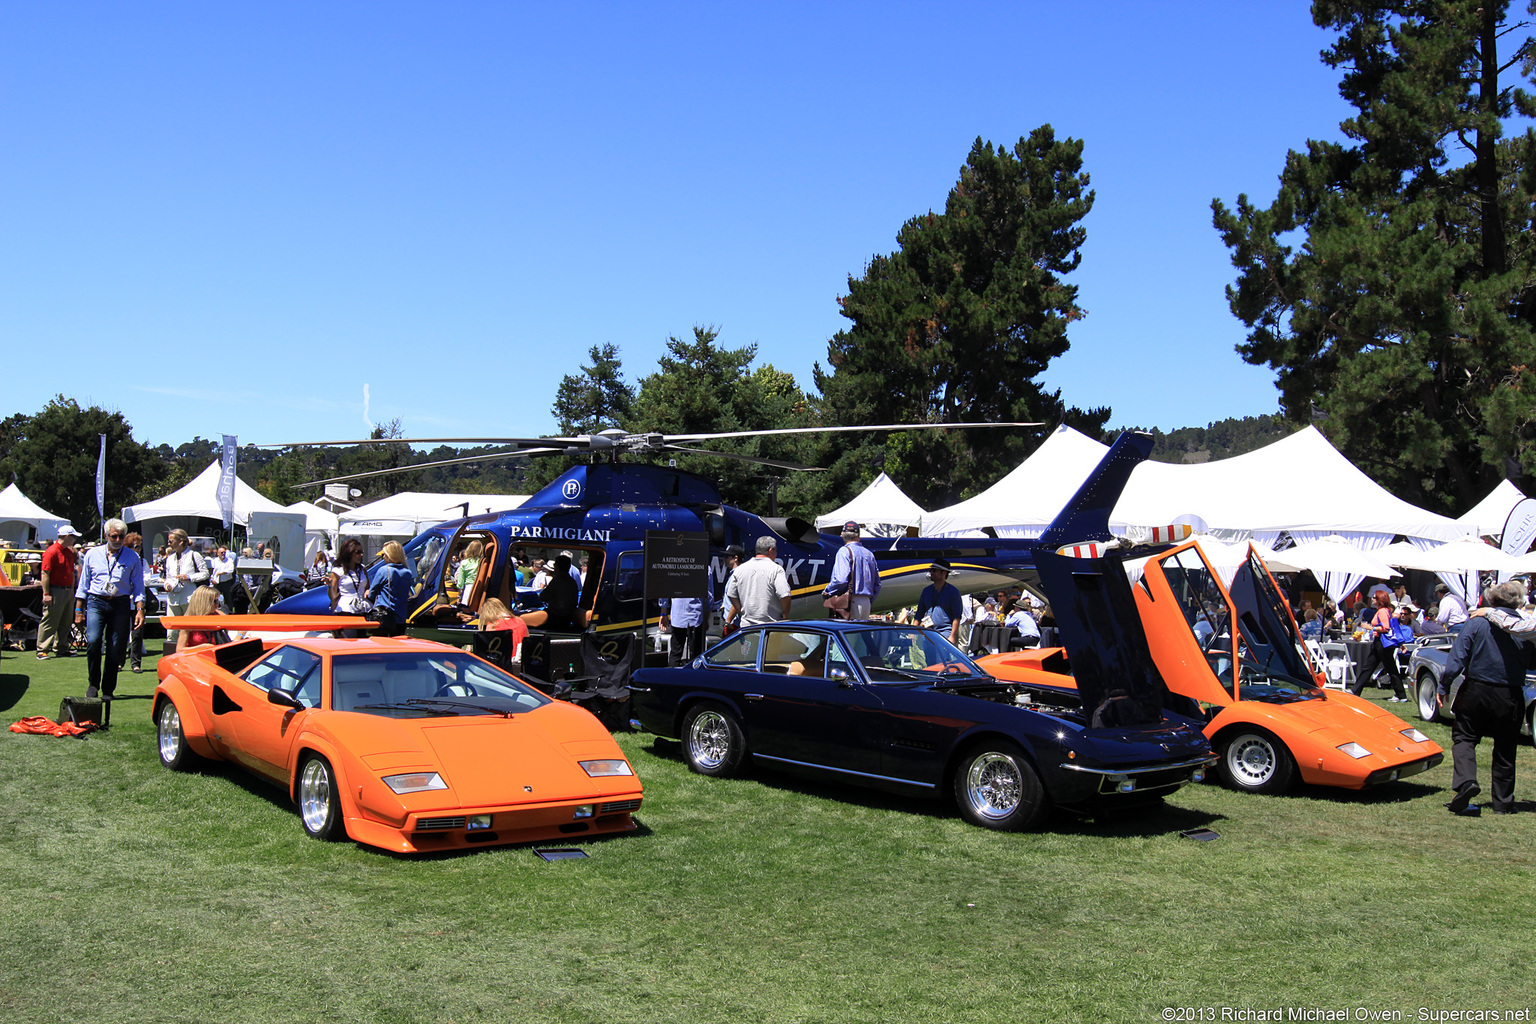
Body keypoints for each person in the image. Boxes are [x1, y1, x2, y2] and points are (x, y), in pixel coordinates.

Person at [1436, 580, 1533, 816]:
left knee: (1464, 737)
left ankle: (1467, 782)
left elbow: (1457, 657)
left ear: (1491, 599)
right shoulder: (1526, 628)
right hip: (1509, 693)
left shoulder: (1477, 623)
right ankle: (1502, 803)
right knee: (1506, 747)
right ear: (1519, 602)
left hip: (1476, 689)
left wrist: (1444, 685)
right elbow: (1531, 662)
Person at [74, 519, 146, 699]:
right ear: (106, 536)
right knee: (93, 640)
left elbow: (138, 585)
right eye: (114, 536)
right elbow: (84, 583)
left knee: (116, 647)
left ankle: (108, 689)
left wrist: (140, 609)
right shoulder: (92, 554)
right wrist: (78, 610)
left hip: (120, 602)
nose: (118, 539)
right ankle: (93, 684)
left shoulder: (132, 556)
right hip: (96, 601)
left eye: (121, 536)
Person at [1348, 590, 1408, 700]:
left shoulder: (1382, 612)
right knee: (1369, 666)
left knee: (1390, 668)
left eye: (1375, 598)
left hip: (1382, 642)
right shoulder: (1383, 611)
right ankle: (1355, 690)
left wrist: (1371, 628)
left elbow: (1386, 628)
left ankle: (1401, 695)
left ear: (1380, 600)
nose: (1372, 599)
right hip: (1379, 642)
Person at [723, 536, 792, 629]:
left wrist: (741, 611)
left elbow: (731, 594)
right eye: (776, 551)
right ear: (771, 550)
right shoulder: (776, 569)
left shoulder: (741, 569)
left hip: (747, 627)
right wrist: (785, 616)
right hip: (770, 627)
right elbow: (785, 595)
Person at [37, 526, 80, 660]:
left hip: (67, 590)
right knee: (50, 620)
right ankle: (42, 649)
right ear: (67, 536)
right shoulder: (52, 552)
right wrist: (46, 593)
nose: (74, 540)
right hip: (55, 590)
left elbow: (73, 570)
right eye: (73, 537)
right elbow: (45, 573)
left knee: (66, 621)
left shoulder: (69, 552)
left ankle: (62, 647)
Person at [161, 528, 210, 646]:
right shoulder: (170, 558)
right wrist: (167, 584)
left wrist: (189, 577)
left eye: (171, 541)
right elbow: (168, 576)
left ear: (181, 541)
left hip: (189, 598)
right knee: (171, 632)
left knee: (190, 630)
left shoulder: (194, 555)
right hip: (173, 598)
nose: (169, 544)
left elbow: (205, 573)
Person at [827, 522, 881, 620]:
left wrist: (828, 591)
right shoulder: (869, 554)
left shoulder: (844, 551)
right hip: (866, 602)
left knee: (845, 634)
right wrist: (868, 600)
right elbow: (877, 584)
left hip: (849, 602)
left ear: (842, 534)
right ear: (859, 535)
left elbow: (841, 580)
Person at [661, 570, 714, 667]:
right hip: (696, 616)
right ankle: (694, 680)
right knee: (696, 656)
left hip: (678, 616)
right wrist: (707, 618)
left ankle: (671, 680)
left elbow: (665, 589)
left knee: (675, 654)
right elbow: (709, 595)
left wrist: (663, 613)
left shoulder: (675, 565)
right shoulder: (704, 566)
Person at [368, 541, 415, 637]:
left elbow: (372, 593)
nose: (383, 557)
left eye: (384, 555)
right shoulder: (407, 572)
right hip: (401, 616)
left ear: (389, 555)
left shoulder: (384, 570)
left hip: (384, 616)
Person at [328, 537, 372, 635]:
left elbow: (367, 587)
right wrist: (330, 586)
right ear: (349, 553)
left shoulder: (362, 569)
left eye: (362, 552)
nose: (361, 555)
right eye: (357, 552)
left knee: (362, 642)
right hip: (345, 610)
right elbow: (333, 596)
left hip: (362, 610)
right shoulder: (337, 571)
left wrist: (367, 591)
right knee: (349, 640)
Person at [916, 560, 964, 646]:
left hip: (945, 632)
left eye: (934, 570)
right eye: (931, 570)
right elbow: (919, 613)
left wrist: (952, 636)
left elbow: (957, 616)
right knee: (930, 659)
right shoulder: (926, 591)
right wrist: (913, 632)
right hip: (928, 632)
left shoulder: (953, 592)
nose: (931, 573)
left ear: (944, 573)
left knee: (943, 659)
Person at [175, 586, 230, 651]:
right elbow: (179, 650)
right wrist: (200, 648)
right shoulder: (189, 620)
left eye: (217, 601)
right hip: (194, 658)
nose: (217, 605)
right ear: (204, 602)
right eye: (214, 601)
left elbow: (241, 624)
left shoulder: (219, 615)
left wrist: (238, 637)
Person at [124, 533, 148, 672]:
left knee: (137, 634)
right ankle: (120, 661)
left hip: (138, 601)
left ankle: (135, 663)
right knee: (120, 632)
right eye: (134, 547)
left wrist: (137, 581)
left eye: (139, 547)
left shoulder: (142, 561)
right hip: (123, 600)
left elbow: (147, 579)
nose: (137, 550)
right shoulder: (123, 560)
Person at [538, 553, 582, 631]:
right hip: (568, 618)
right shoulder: (572, 582)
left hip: (555, 618)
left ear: (558, 567)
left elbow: (543, 597)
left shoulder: (557, 581)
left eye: (555, 565)